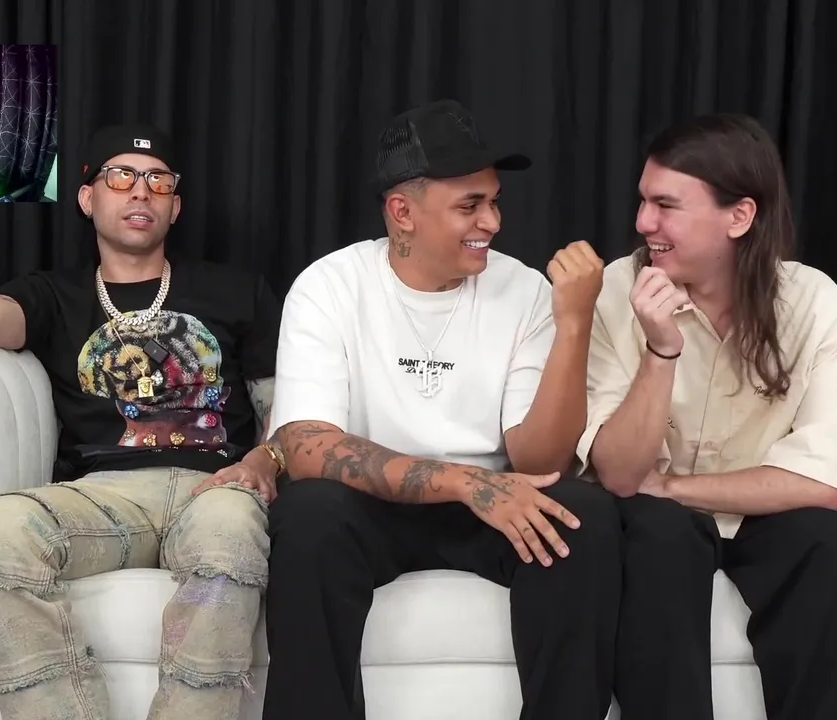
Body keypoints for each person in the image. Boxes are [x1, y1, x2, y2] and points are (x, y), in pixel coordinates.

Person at [0, 124, 280, 720]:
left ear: (175, 206)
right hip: (106, 496)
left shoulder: (239, 290)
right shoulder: (50, 294)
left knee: (231, 528)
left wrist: (266, 458)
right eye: (121, 177)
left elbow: (284, 407)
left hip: (217, 486)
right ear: (88, 198)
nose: (140, 191)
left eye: (158, 182)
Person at [261, 99, 622, 720]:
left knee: (579, 513)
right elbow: (307, 447)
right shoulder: (330, 285)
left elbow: (541, 458)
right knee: (309, 514)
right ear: (402, 212)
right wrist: (460, 481)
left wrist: (574, 324)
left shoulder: (524, 289)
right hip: (373, 504)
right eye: (470, 206)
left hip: (491, 507)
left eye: (494, 201)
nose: (493, 221)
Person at [579, 114, 837, 720]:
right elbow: (621, 475)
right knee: (659, 533)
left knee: (827, 540)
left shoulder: (819, 306)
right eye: (643, 201)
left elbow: (820, 483)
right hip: (654, 521)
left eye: (666, 205)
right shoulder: (614, 291)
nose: (643, 223)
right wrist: (661, 349)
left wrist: (673, 487)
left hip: (758, 513)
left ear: (739, 216)